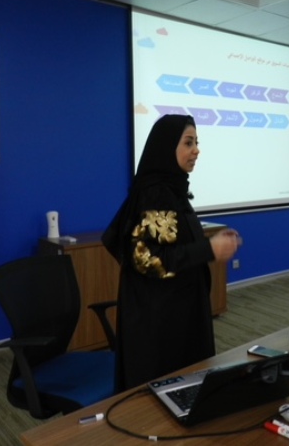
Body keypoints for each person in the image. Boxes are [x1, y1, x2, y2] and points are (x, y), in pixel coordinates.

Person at [102, 114, 240, 391]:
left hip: (175, 312)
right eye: (188, 143)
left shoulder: (172, 190)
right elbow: (151, 260)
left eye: (197, 142)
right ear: (167, 147)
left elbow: (173, 247)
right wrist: (209, 248)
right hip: (160, 323)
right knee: (163, 396)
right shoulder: (157, 194)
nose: (196, 150)